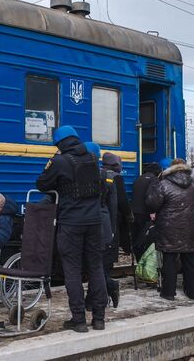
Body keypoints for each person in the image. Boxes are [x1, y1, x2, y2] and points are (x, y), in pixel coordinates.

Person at [36, 126, 105, 333]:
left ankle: (79, 320)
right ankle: (99, 319)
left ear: (59, 143)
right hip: (94, 222)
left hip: (71, 223)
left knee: (72, 270)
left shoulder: (60, 161)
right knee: (96, 268)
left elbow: (41, 184)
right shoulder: (92, 158)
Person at [145, 158, 194, 301]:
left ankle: (168, 292)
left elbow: (152, 204)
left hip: (169, 227)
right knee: (189, 259)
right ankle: (193, 292)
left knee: (169, 259)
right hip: (190, 226)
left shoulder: (163, 184)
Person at [83, 142, 118, 310]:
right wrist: (112, 230)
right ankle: (100, 295)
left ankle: (94, 300)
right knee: (96, 265)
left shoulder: (77, 174)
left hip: (90, 225)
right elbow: (113, 206)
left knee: (93, 265)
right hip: (102, 224)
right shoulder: (107, 176)